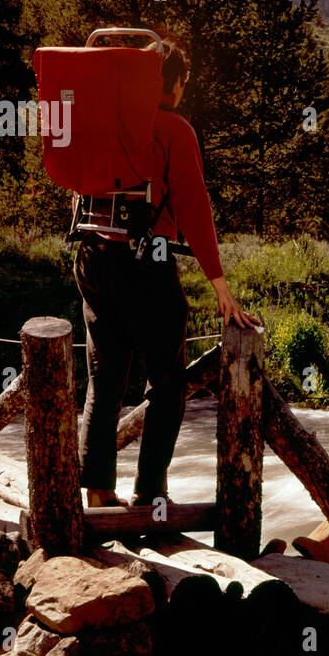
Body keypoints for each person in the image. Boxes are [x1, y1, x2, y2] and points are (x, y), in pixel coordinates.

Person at [74, 34, 262, 508]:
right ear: (171, 83)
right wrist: (220, 287)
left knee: (106, 379)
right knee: (168, 382)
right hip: (145, 262)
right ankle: (149, 494)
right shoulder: (174, 129)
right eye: (182, 84)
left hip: (91, 256)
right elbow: (195, 210)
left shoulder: (100, 122)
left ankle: (97, 492)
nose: (182, 93)